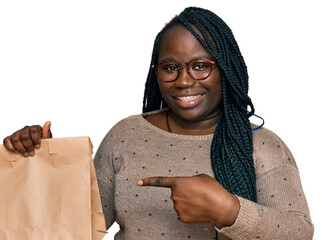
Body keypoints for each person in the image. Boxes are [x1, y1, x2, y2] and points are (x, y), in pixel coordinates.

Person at [2, 7, 314, 240]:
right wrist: (41, 165)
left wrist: (228, 210)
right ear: (157, 73)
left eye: (201, 66)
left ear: (226, 69)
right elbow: (80, 227)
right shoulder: (126, 136)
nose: (183, 80)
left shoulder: (261, 144)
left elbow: (299, 231)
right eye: (170, 67)